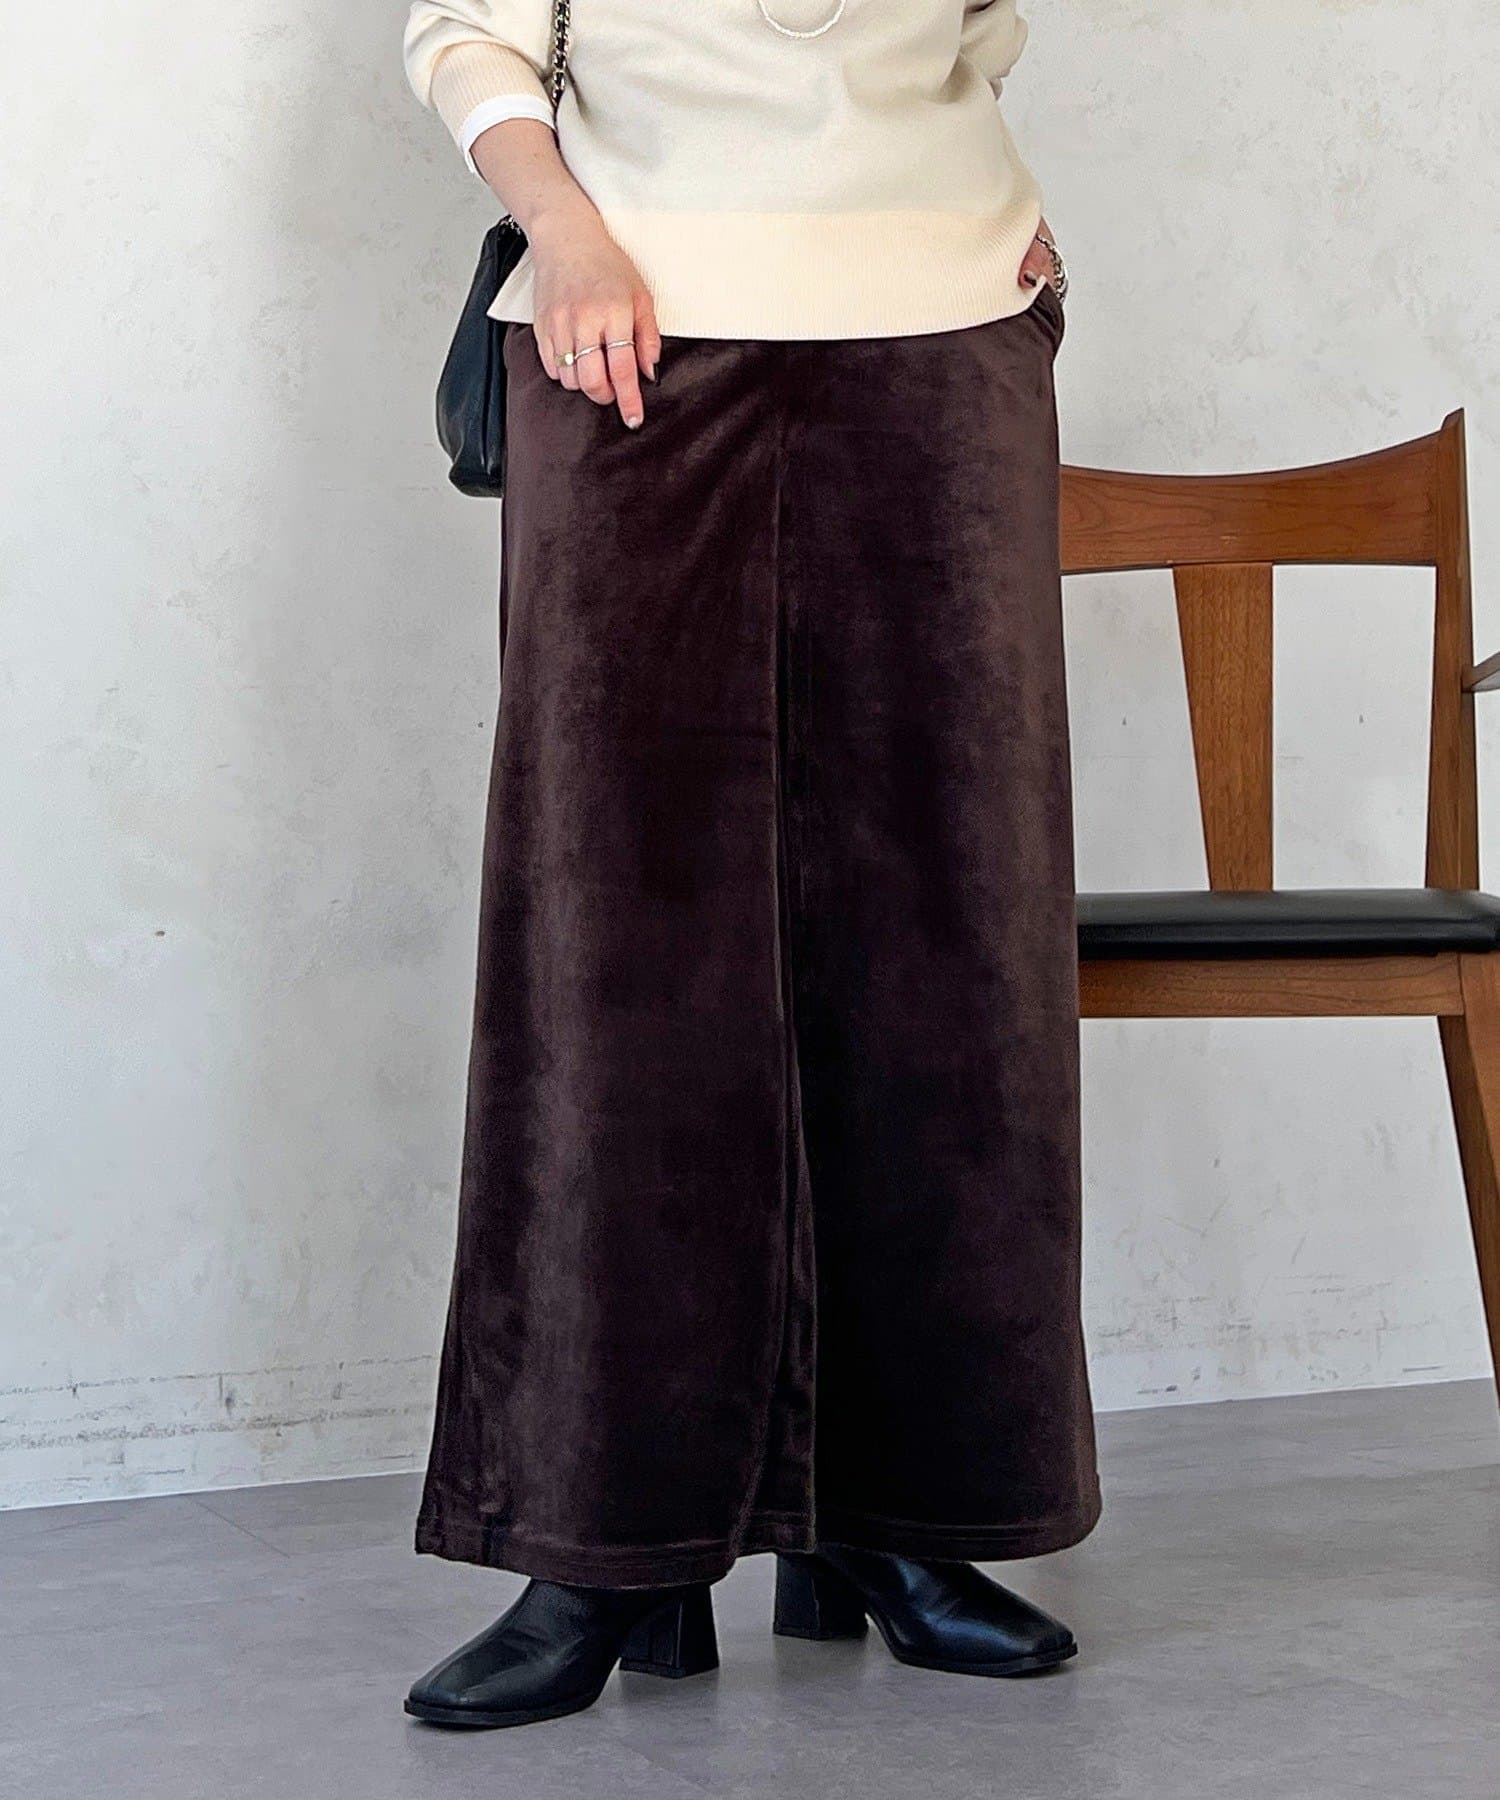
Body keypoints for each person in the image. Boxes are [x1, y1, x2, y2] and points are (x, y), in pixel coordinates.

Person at [400, 0, 1099, 1730]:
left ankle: (899, 1520)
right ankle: (605, 1541)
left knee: (947, 930)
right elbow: (469, 36)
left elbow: (976, 30)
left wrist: (989, 215)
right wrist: (563, 229)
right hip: (627, 323)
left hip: (946, 328)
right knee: (618, 930)